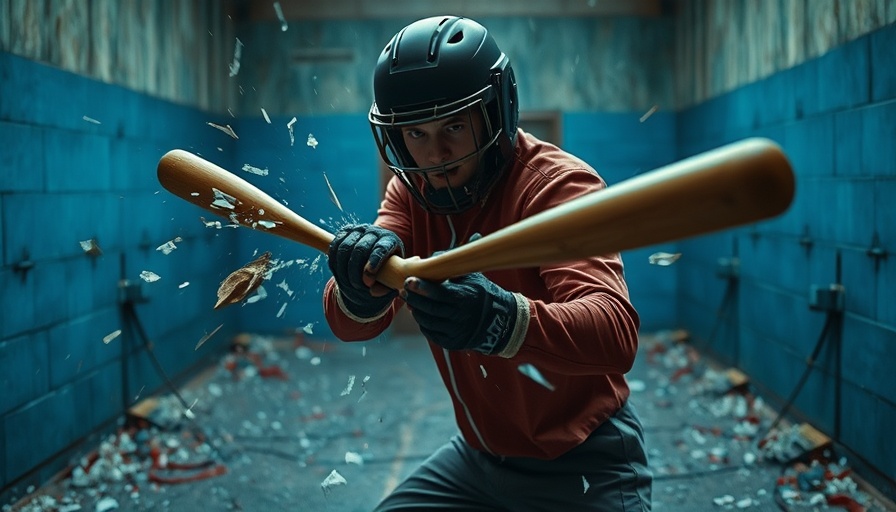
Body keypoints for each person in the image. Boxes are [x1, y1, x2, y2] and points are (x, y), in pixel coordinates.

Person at [322, 15, 652, 511]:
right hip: (479, 461)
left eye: (454, 125)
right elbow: (355, 326)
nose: (436, 155)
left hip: (585, 457)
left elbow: (614, 334)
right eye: (416, 133)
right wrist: (355, 286)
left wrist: (501, 321)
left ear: (495, 112)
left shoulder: (557, 187)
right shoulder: (411, 196)